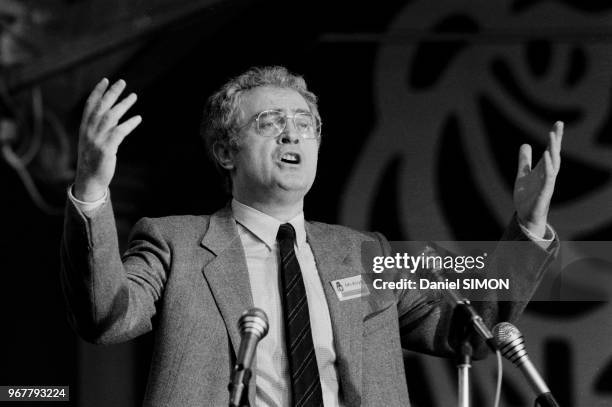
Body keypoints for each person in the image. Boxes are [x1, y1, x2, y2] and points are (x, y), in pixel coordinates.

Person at [60, 66, 563, 407]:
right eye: (270, 123)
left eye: (305, 124)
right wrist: (91, 187)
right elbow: (105, 314)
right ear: (226, 153)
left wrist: (528, 227)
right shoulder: (176, 243)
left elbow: (470, 329)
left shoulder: (364, 253)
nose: (292, 134)